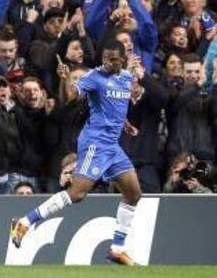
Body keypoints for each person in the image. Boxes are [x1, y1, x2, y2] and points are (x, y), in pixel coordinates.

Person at [10, 40, 141, 266]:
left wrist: (125, 123)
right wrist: (65, 79)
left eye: (112, 59)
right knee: (77, 194)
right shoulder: (94, 77)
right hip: (95, 143)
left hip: (113, 145)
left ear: (122, 60)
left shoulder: (126, 78)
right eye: (104, 58)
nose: (107, 63)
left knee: (133, 194)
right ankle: (24, 222)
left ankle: (117, 249)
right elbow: (75, 91)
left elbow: (116, 105)